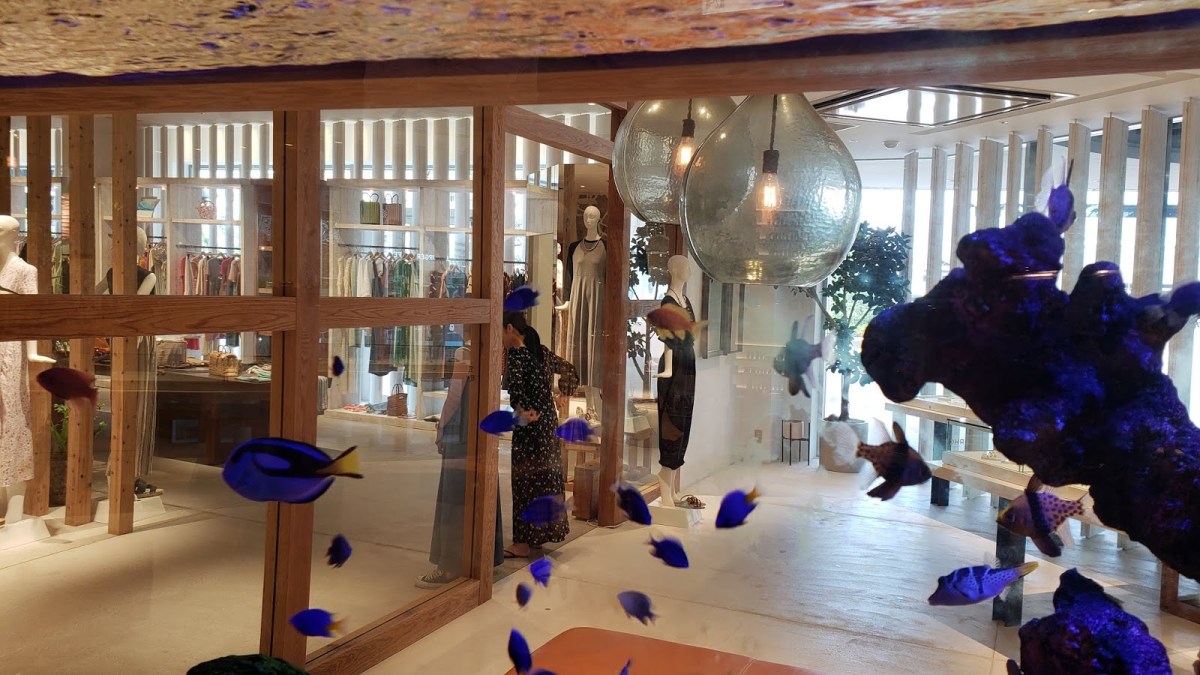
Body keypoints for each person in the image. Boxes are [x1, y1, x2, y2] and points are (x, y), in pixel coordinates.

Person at [416, 346, 505, 588]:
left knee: (454, 498)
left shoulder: (465, 352)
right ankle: (483, 558)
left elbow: (455, 396)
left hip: (462, 434)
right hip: (482, 432)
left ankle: (449, 566)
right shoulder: (490, 347)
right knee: (480, 493)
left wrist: (441, 426)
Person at [502, 312, 569, 558]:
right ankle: (538, 537)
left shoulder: (516, 354)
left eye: (500, 331)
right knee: (544, 479)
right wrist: (562, 395)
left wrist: (523, 412)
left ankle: (522, 543)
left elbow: (516, 391)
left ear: (510, 328)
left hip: (530, 428)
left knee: (525, 482)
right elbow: (569, 370)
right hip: (548, 424)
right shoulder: (540, 351)